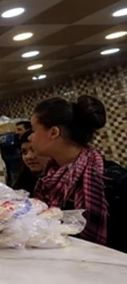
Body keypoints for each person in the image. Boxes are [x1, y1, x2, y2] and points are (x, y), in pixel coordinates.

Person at [29, 95, 109, 245]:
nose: (31, 138)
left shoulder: (110, 179)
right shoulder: (46, 177)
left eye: (33, 130)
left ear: (53, 132)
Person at [12, 130, 50, 196]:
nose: (29, 157)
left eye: (34, 150)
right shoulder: (23, 180)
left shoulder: (64, 181)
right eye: (24, 152)